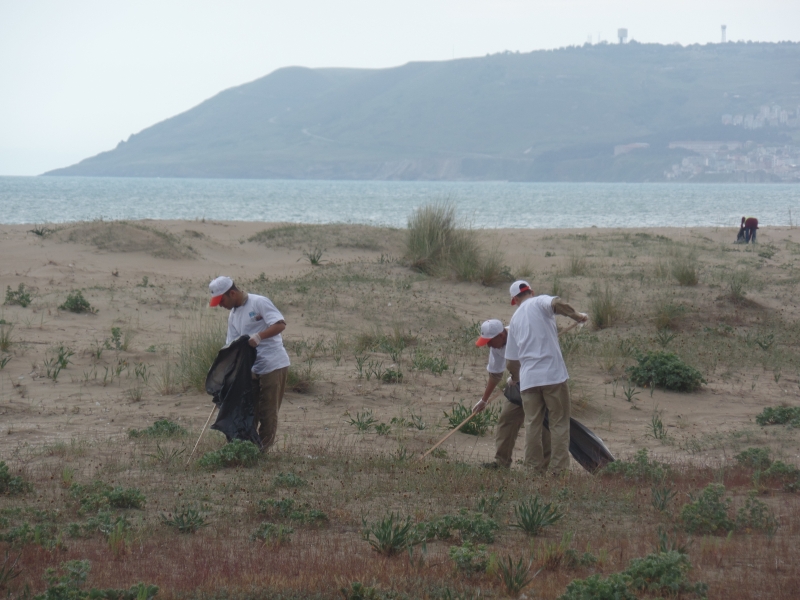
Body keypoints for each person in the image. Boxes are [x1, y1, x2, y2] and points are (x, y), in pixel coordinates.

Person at [505, 280, 588, 475]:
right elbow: (557, 304)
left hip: (529, 380)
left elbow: (511, 362)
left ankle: (532, 469)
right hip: (553, 376)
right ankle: (558, 470)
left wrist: (515, 378)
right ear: (531, 292)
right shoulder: (540, 301)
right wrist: (578, 316)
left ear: (514, 300)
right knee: (558, 422)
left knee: (532, 424)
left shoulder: (515, 319)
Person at [209, 276, 290, 449]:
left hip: (273, 364)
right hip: (250, 369)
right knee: (249, 410)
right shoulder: (233, 315)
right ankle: (248, 449)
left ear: (232, 293)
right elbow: (231, 345)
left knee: (268, 412)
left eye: (221, 300)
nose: (220, 305)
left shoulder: (259, 302)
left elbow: (280, 324)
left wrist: (260, 336)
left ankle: (262, 452)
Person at [472, 319, 550, 469]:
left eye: (490, 341)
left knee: (542, 425)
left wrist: (517, 376)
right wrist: (484, 400)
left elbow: (539, 359)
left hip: (541, 382)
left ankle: (544, 468)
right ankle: (501, 462)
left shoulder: (522, 335)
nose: (488, 345)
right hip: (518, 385)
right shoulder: (496, 346)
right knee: (507, 419)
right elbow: (495, 374)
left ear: (501, 335)